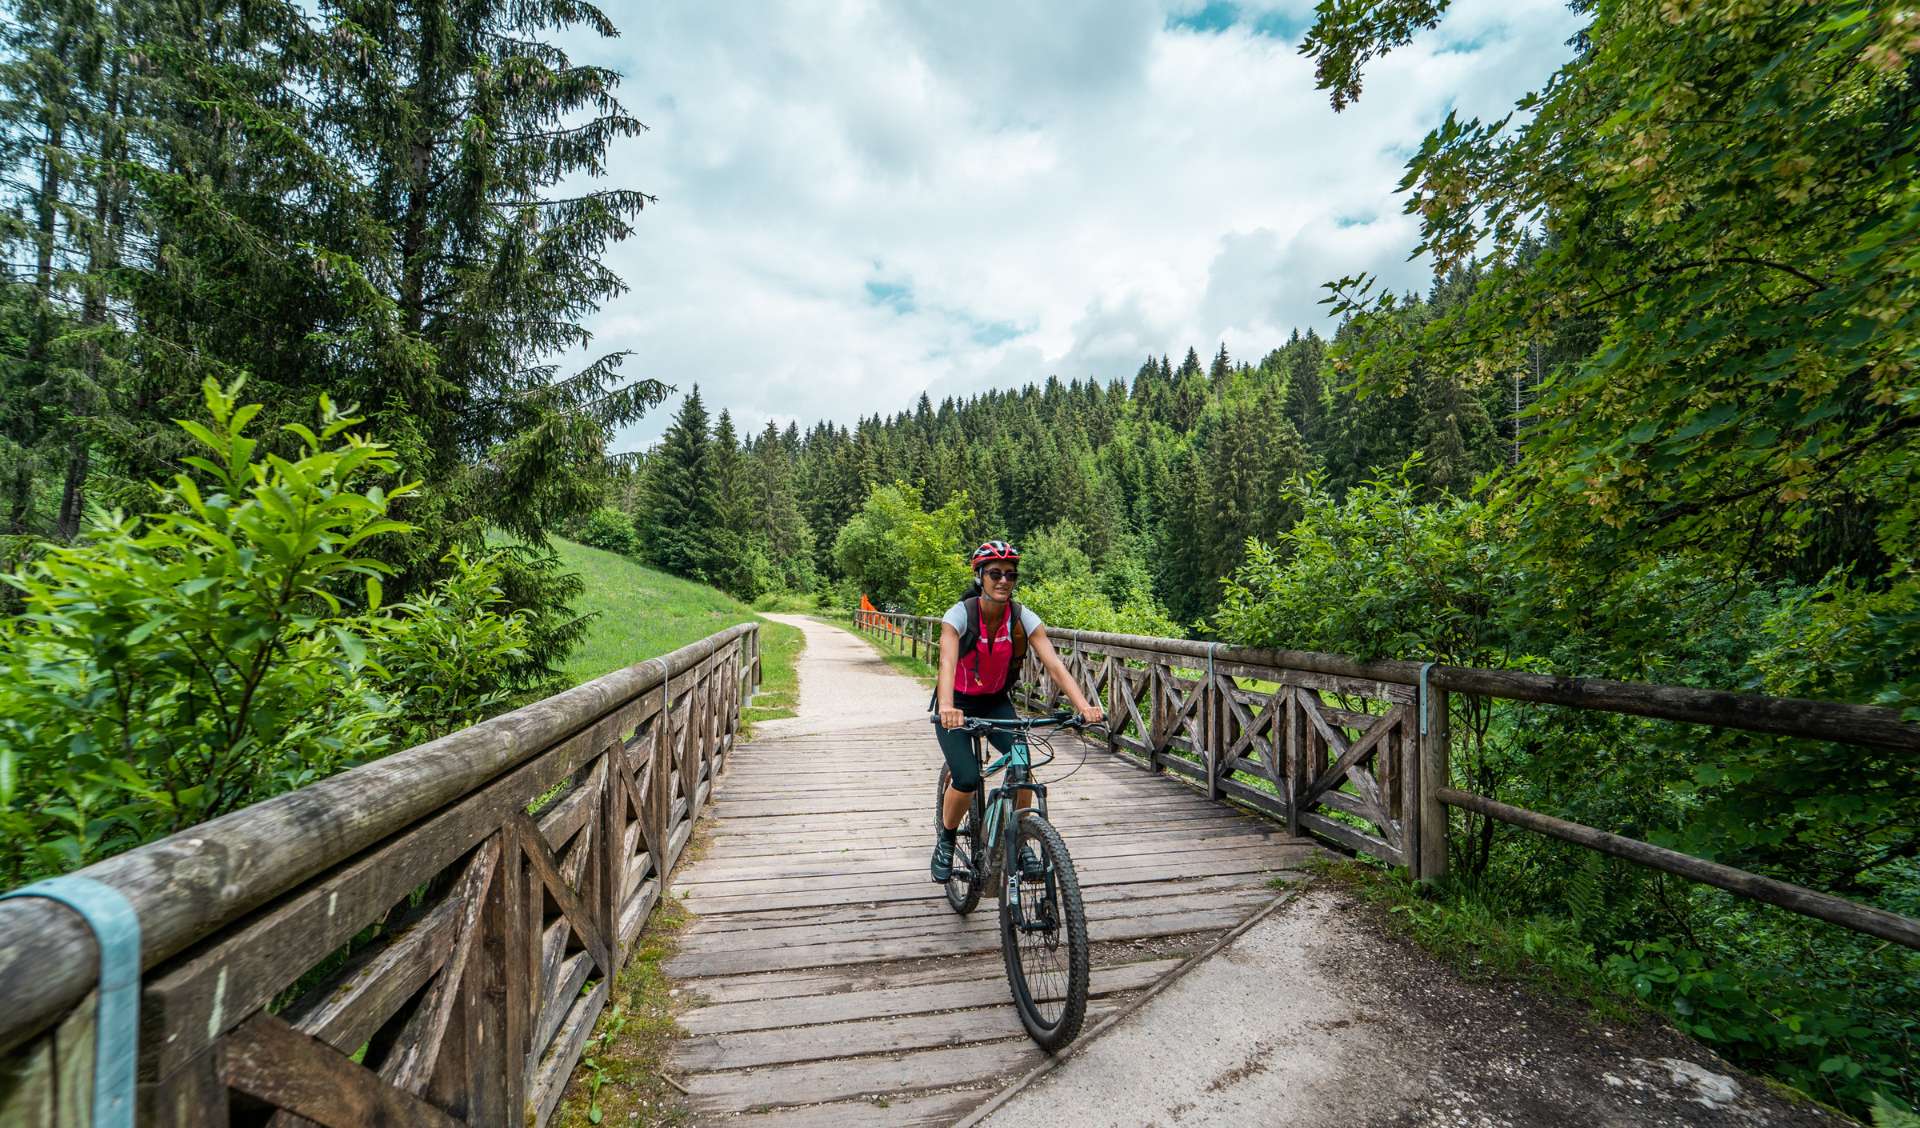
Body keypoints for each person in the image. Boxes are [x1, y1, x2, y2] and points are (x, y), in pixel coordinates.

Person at [931, 539, 1105, 882]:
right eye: (995, 573)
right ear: (980, 576)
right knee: (966, 778)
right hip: (958, 704)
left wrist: (1083, 706)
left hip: (995, 701)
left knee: (1022, 762)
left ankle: (1021, 838)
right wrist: (948, 707)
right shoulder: (960, 615)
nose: (1003, 581)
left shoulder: (1022, 617)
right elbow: (947, 661)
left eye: (1011, 575)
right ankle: (947, 840)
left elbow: (1054, 664)